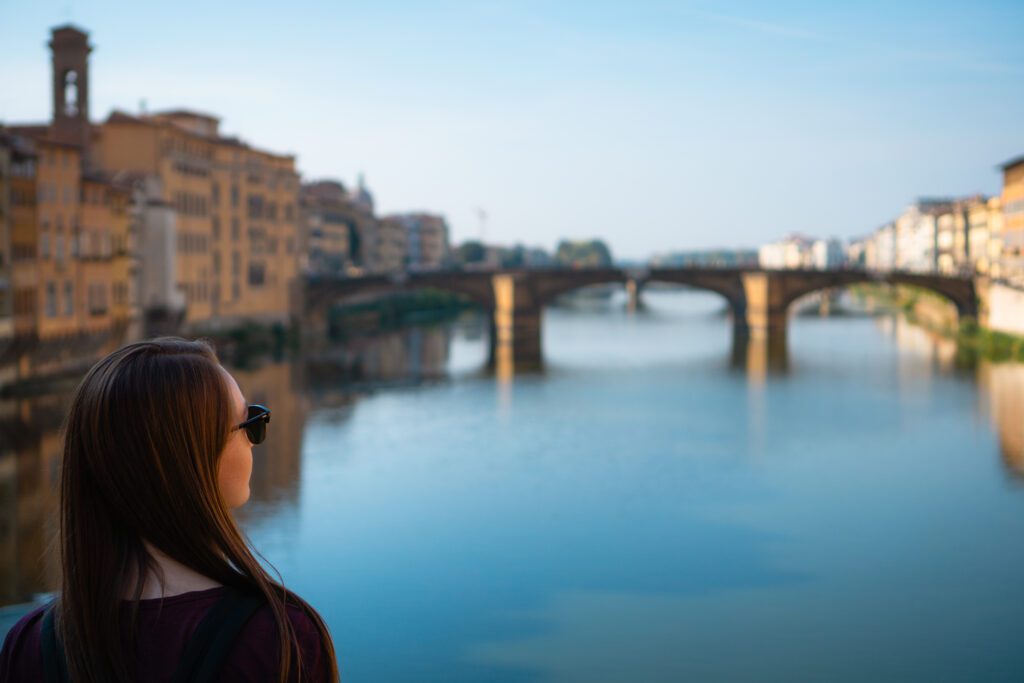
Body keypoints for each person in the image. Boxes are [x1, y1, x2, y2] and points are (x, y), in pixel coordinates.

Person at [0, 338, 339, 682]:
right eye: (249, 424)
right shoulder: (279, 640)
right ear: (188, 457)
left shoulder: (29, 645)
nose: (254, 439)